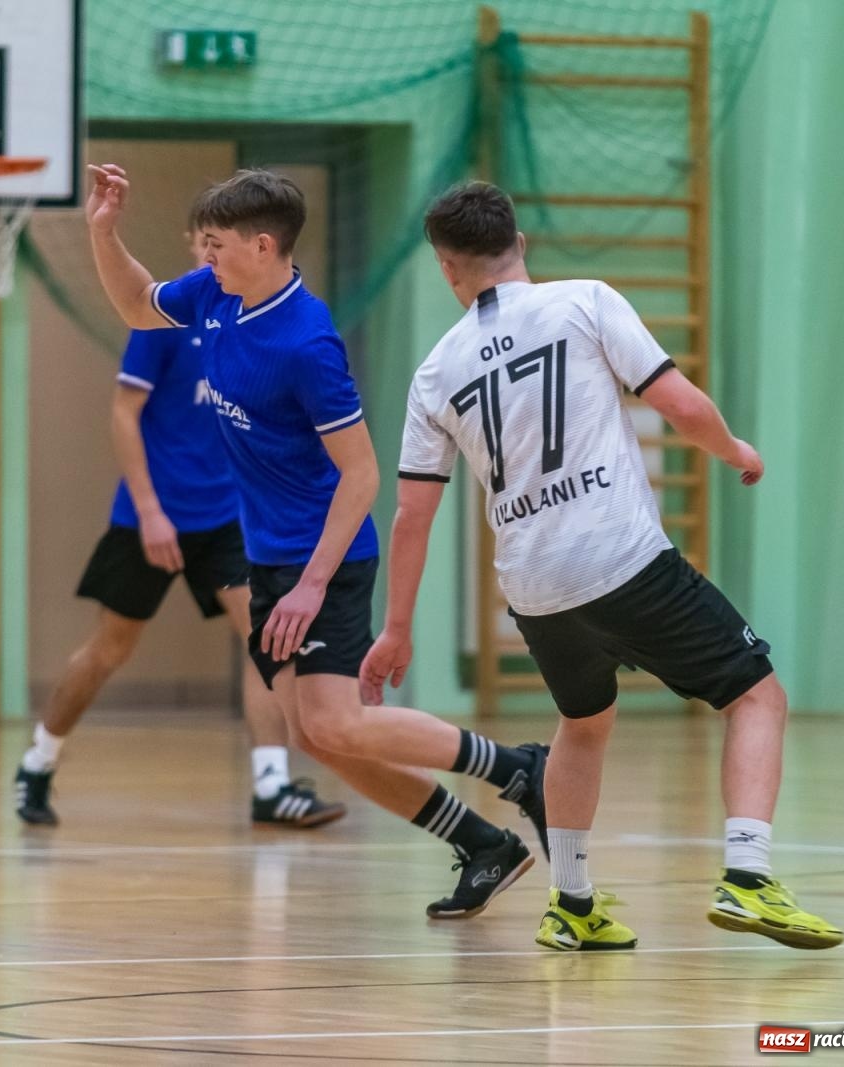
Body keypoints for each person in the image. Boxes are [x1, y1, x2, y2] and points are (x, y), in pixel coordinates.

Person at [364, 180, 842, 950]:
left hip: (533, 587)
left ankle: (572, 901)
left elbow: (412, 514)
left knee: (582, 725)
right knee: (757, 694)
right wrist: (736, 451)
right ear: (520, 245)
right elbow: (680, 405)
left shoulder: (435, 371)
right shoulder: (584, 300)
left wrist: (395, 629)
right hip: (619, 560)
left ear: (448, 270)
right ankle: (749, 878)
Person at [86, 164, 549, 918]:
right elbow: (138, 305)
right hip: (267, 553)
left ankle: (516, 766)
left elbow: (362, 476)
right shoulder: (215, 294)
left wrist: (309, 583)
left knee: (332, 724)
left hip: (322, 559)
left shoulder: (307, 344)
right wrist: (104, 231)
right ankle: (483, 842)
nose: (202, 259)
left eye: (214, 245)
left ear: (263, 246)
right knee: (320, 738)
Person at [16, 231, 346, 830]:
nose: (208, 255)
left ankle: (271, 784)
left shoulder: (267, 326)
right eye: (201, 244)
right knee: (110, 647)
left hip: (228, 519)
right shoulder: (166, 321)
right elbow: (124, 414)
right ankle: (38, 761)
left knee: (265, 637)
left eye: (218, 244)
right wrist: (148, 511)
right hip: (153, 515)